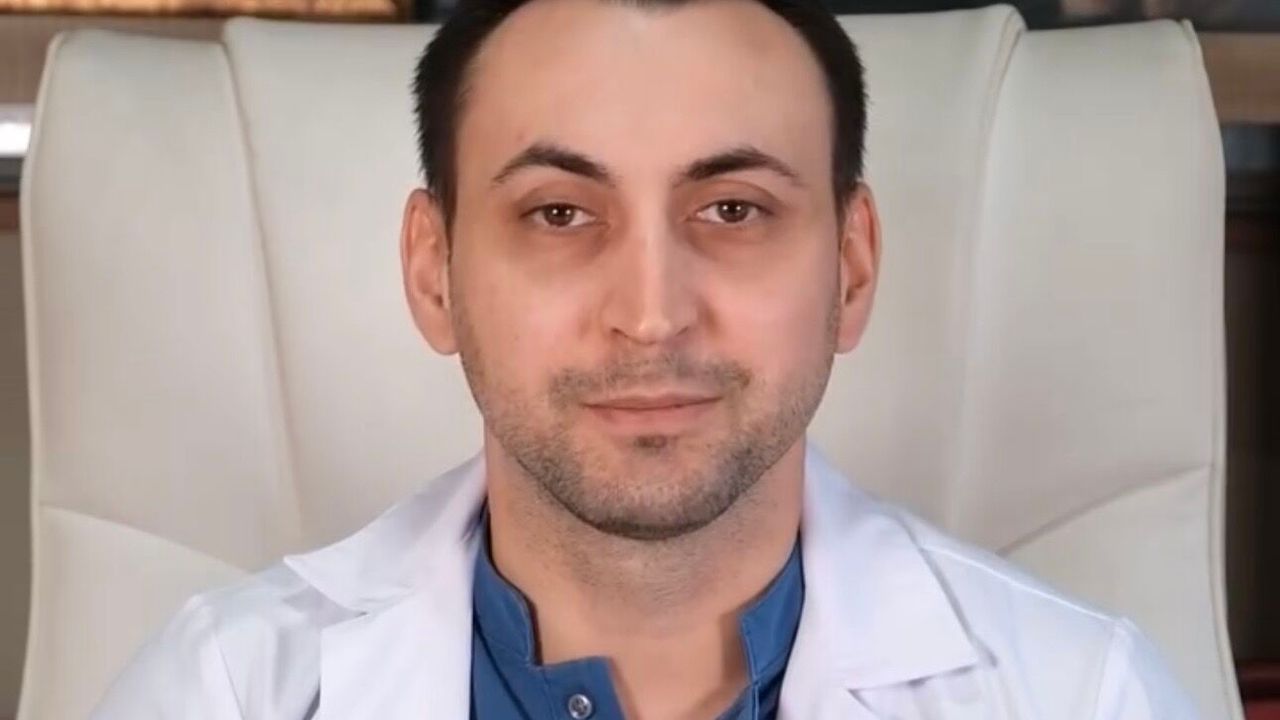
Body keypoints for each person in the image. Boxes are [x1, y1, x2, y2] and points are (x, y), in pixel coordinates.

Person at [91, 0, 1202, 716]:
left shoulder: (1083, 696)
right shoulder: (220, 691)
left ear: (852, 269)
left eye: (732, 208)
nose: (652, 315)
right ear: (434, 273)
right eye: (559, 214)